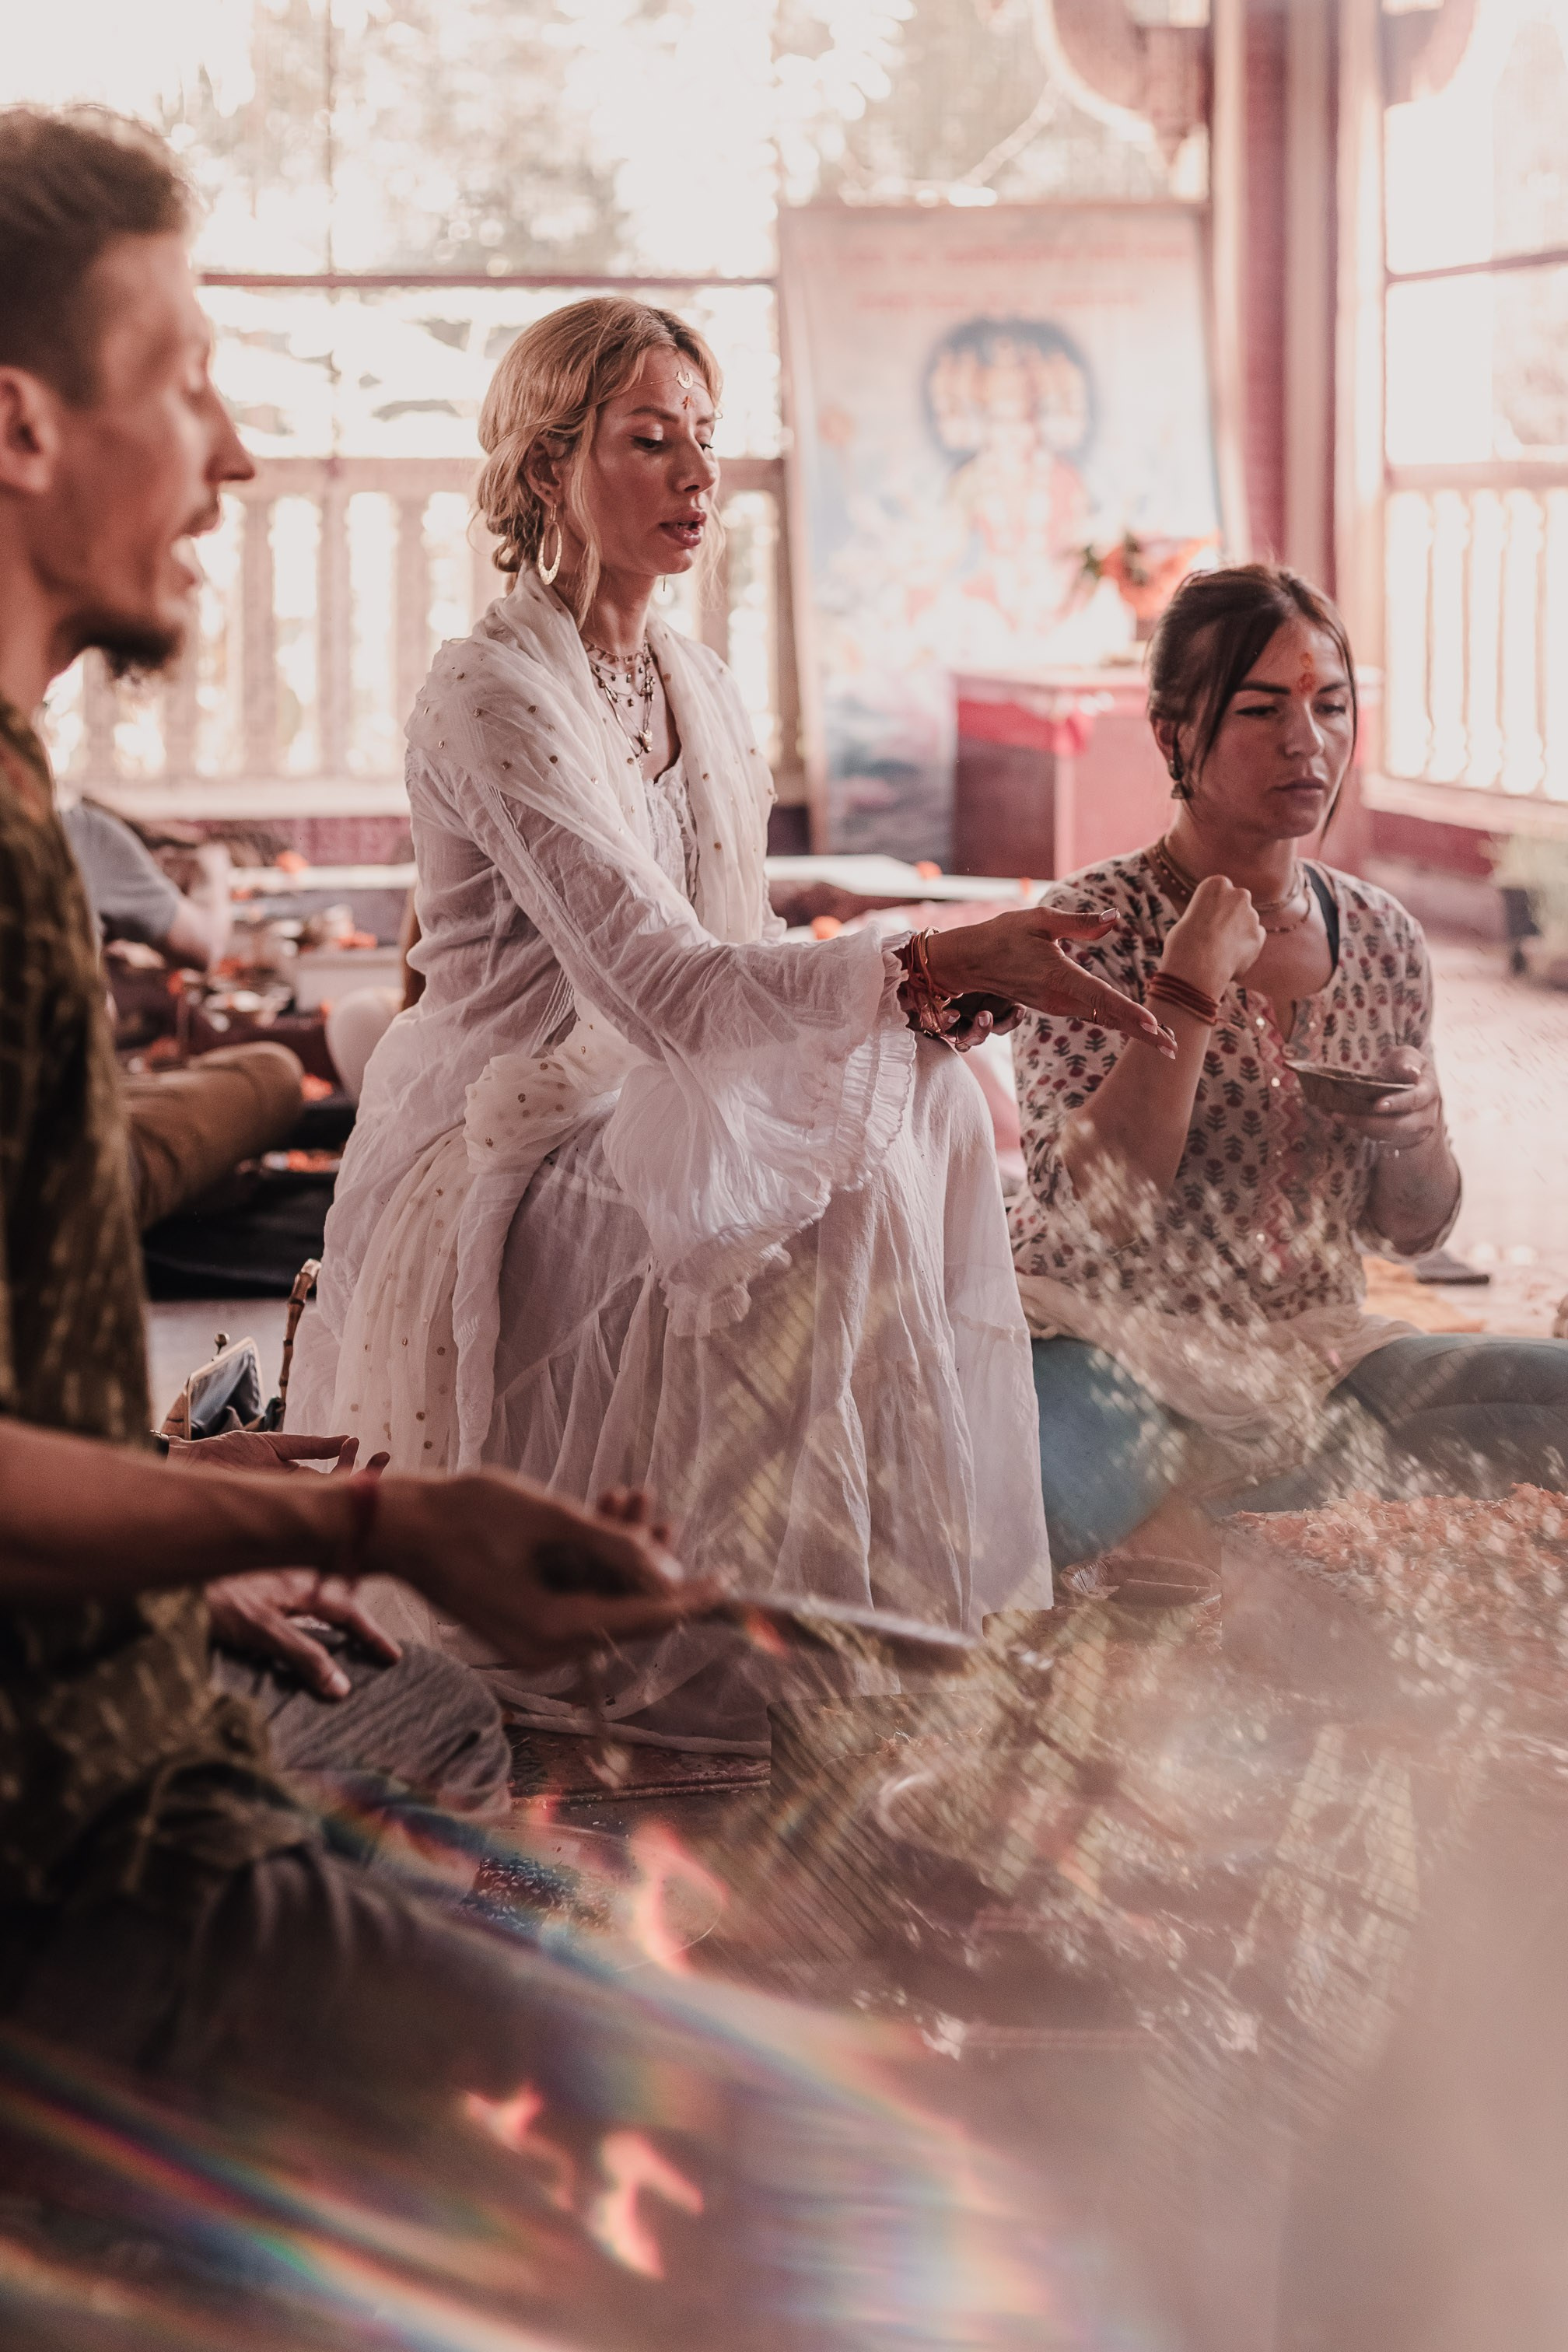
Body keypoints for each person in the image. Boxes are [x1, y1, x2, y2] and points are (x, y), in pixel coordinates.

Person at [0, 102, 721, 2111]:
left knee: (441, 1721)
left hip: (113, 1721)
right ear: (20, 427)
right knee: (684, 2117)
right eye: (187, 381)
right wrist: (367, 1507)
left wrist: (180, 1506)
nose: (232, 456)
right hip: (74, 1844)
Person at [289, 295, 1177, 1752]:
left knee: (922, 1112)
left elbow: (742, 947)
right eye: (650, 441)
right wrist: (920, 956)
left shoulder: (694, 679)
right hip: (503, 1125)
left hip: (663, 1073)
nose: (699, 477)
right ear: (542, 471)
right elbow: (663, 986)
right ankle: (749, 1624)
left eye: (705, 439)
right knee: (795, 1199)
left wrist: (932, 997)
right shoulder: (490, 689)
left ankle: (855, 1604)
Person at [1009, 562, 1568, 1567]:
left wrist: (1422, 1137)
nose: (1308, 741)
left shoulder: (1384, 937)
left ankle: (1242, 1516)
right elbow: (1090, 1205)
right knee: (1030, 1517)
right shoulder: (1089, 925)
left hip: (1311, 1357)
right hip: (1108, 1343)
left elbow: (1410, 1229)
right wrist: (1183, 984)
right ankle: (1243, 1518)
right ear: (1174, 735)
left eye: (1332, 705)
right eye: (1262, 709)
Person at [61, 793, 306, 1223]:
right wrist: (212, 869)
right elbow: (206, 945)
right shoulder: (75, 831)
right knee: (275, 1071)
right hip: (65, 1178)